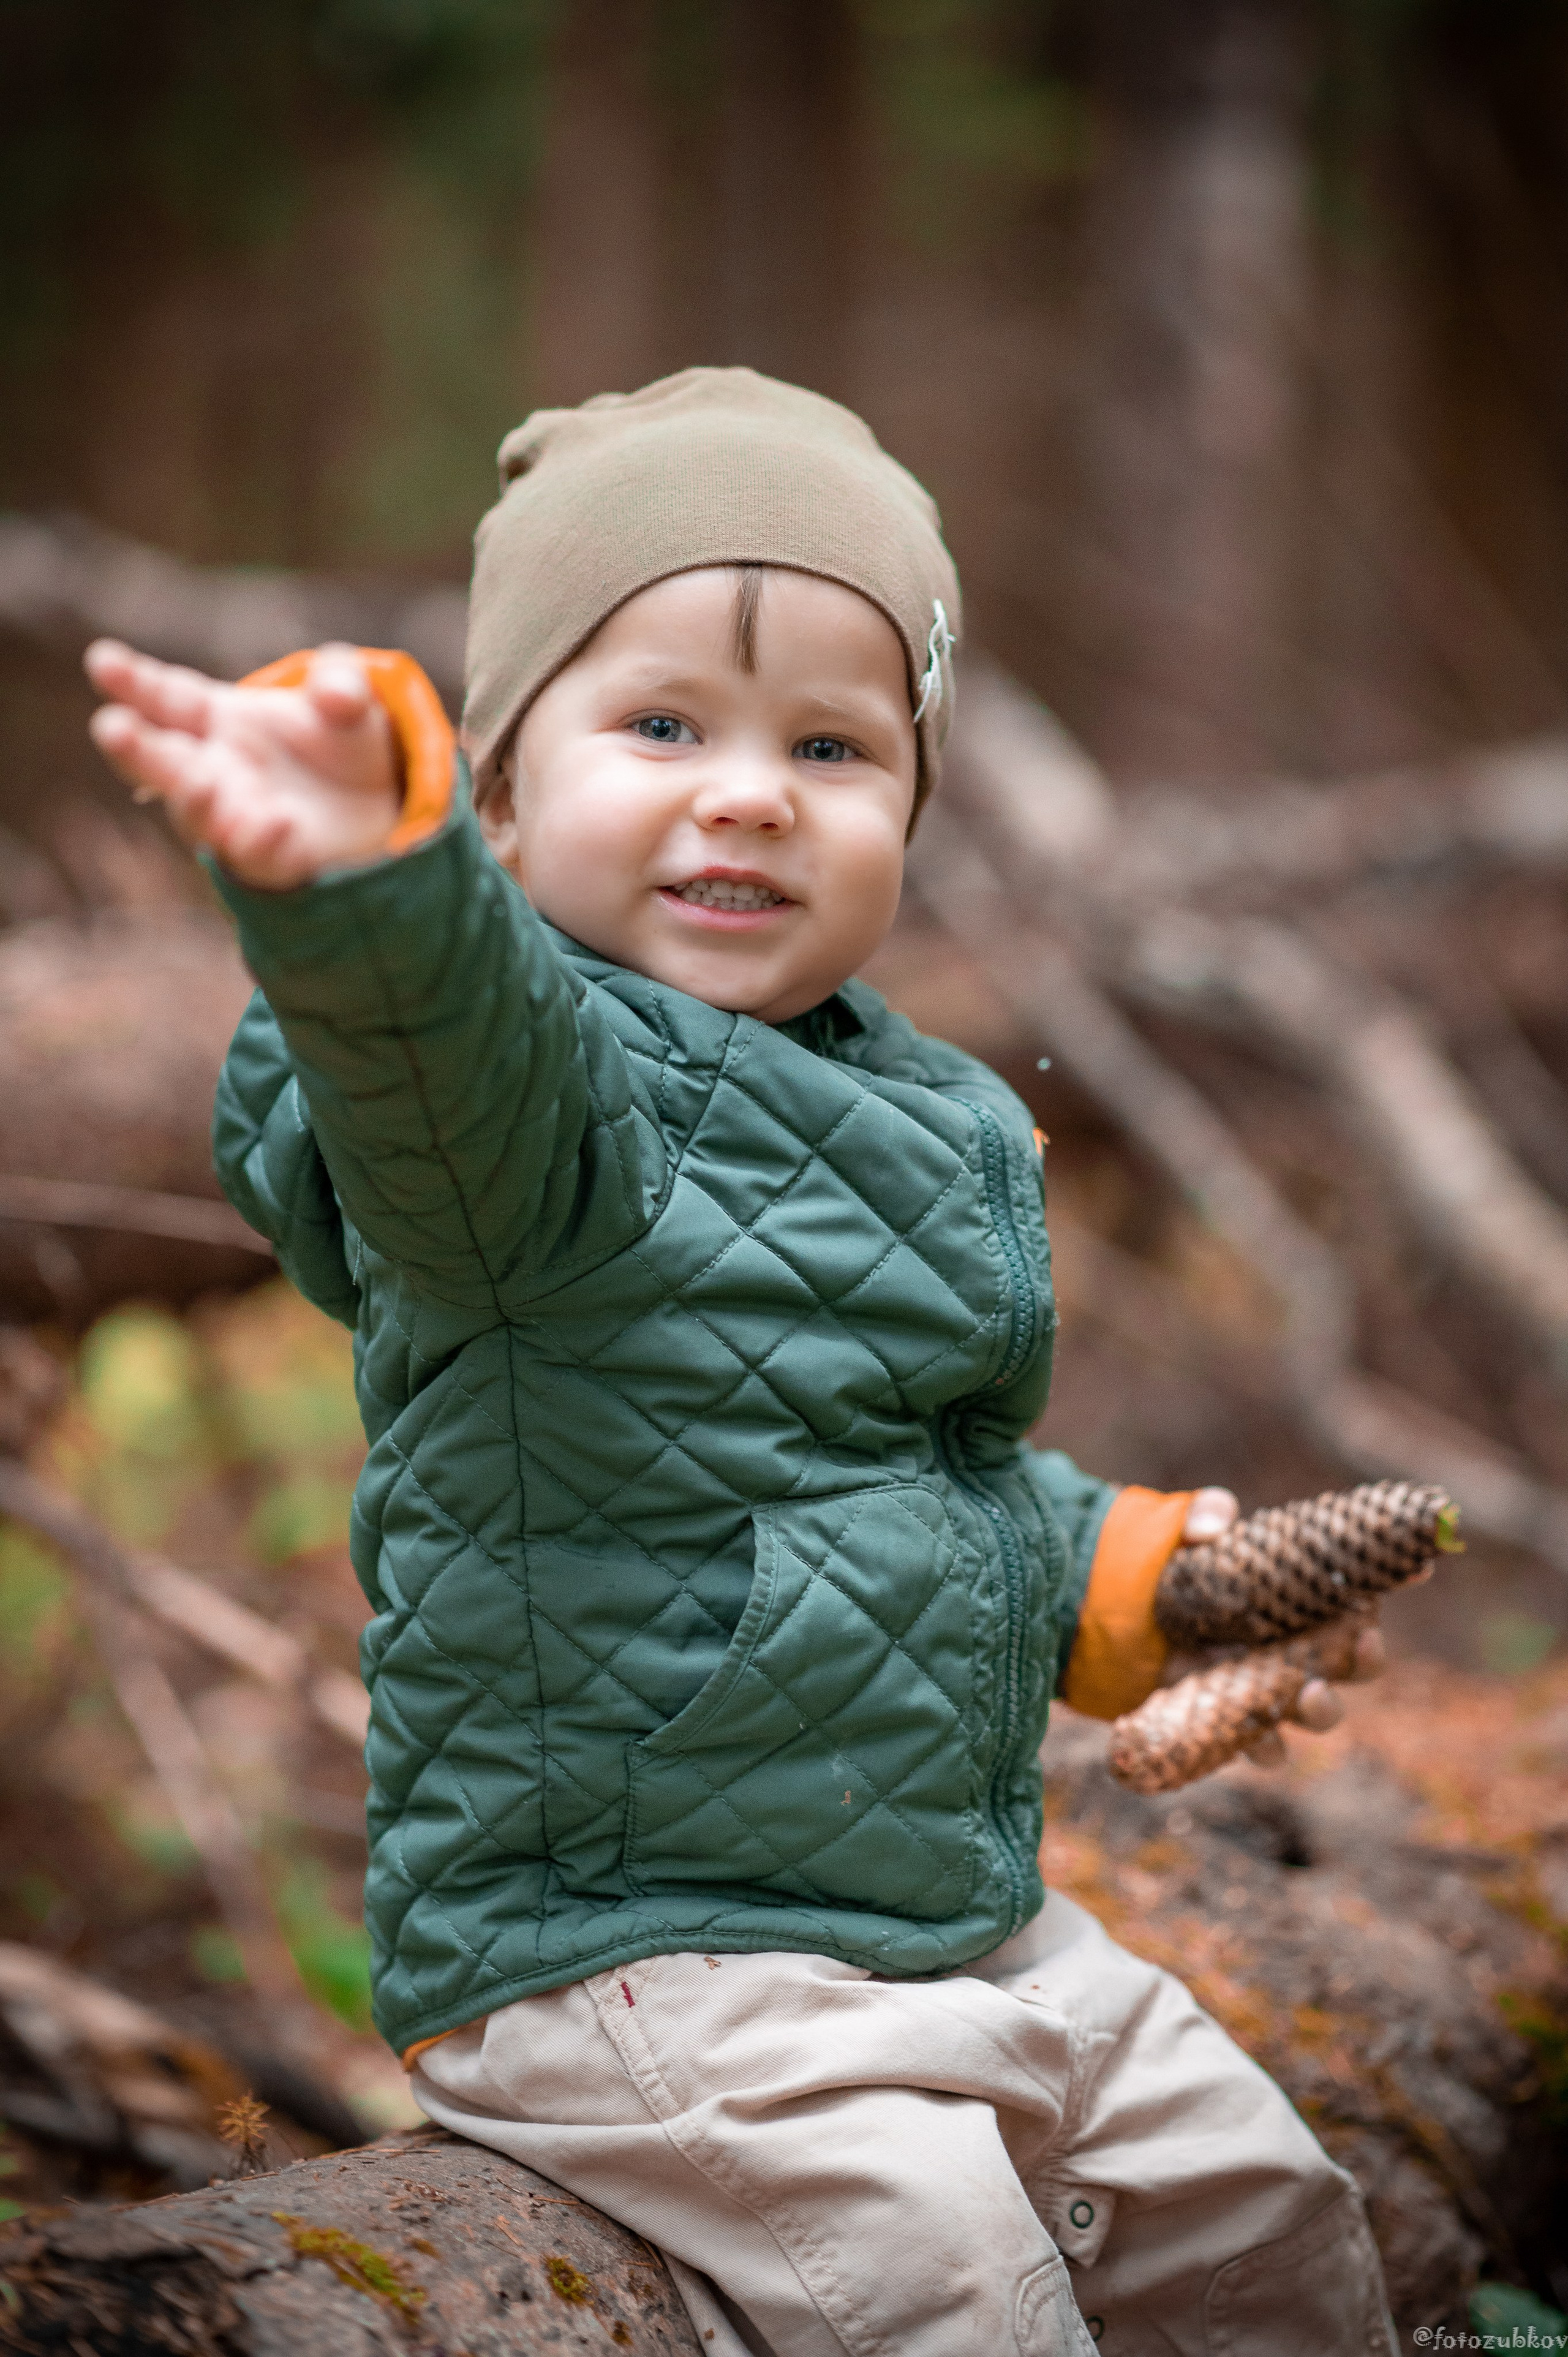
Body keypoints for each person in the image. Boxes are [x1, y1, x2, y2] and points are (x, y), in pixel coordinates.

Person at [85, 368, 1396, 2356]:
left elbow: (910, 1485)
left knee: (1268, 2224)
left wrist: (1146, 1578)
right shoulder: (531, 1131)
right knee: (957, 2296)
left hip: (937, 1933)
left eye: (835, 745)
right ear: (507, 799)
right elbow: (435, 1052)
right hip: (634, 1963)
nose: (753, 789)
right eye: (666, 723)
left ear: (907, 812)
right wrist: (367, 888)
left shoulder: (915, 1116)